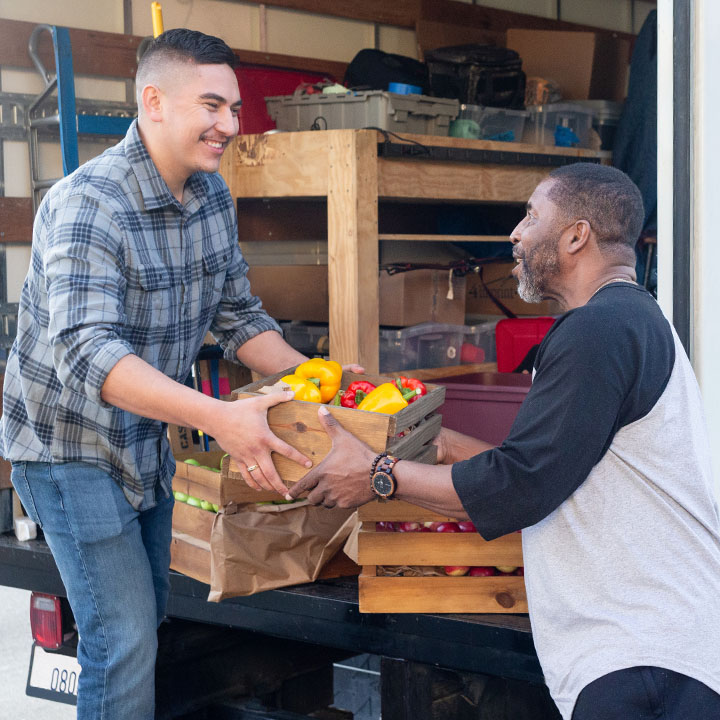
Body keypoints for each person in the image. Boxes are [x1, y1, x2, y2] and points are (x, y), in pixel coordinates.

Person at [287, 163, 720, 720]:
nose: (515, 233)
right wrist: (438, 445)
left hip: (644, 661)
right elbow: (562, 468)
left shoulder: (599, 331)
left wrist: (379, 473)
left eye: (532, 215)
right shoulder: (626, 320)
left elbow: (522, 485)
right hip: (655, 650)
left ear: (576, 235)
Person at [0, 29, 325, 720]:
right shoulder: (89, 203)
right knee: (121, 644)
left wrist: (320, 380)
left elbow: (239, 316)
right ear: (153, 101)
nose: (229, 126)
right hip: (69, 449)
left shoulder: (210, 198)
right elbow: (91, 355)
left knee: (143, 633)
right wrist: (220, 419)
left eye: (234, 109)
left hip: (145, 441)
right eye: (213, 105)